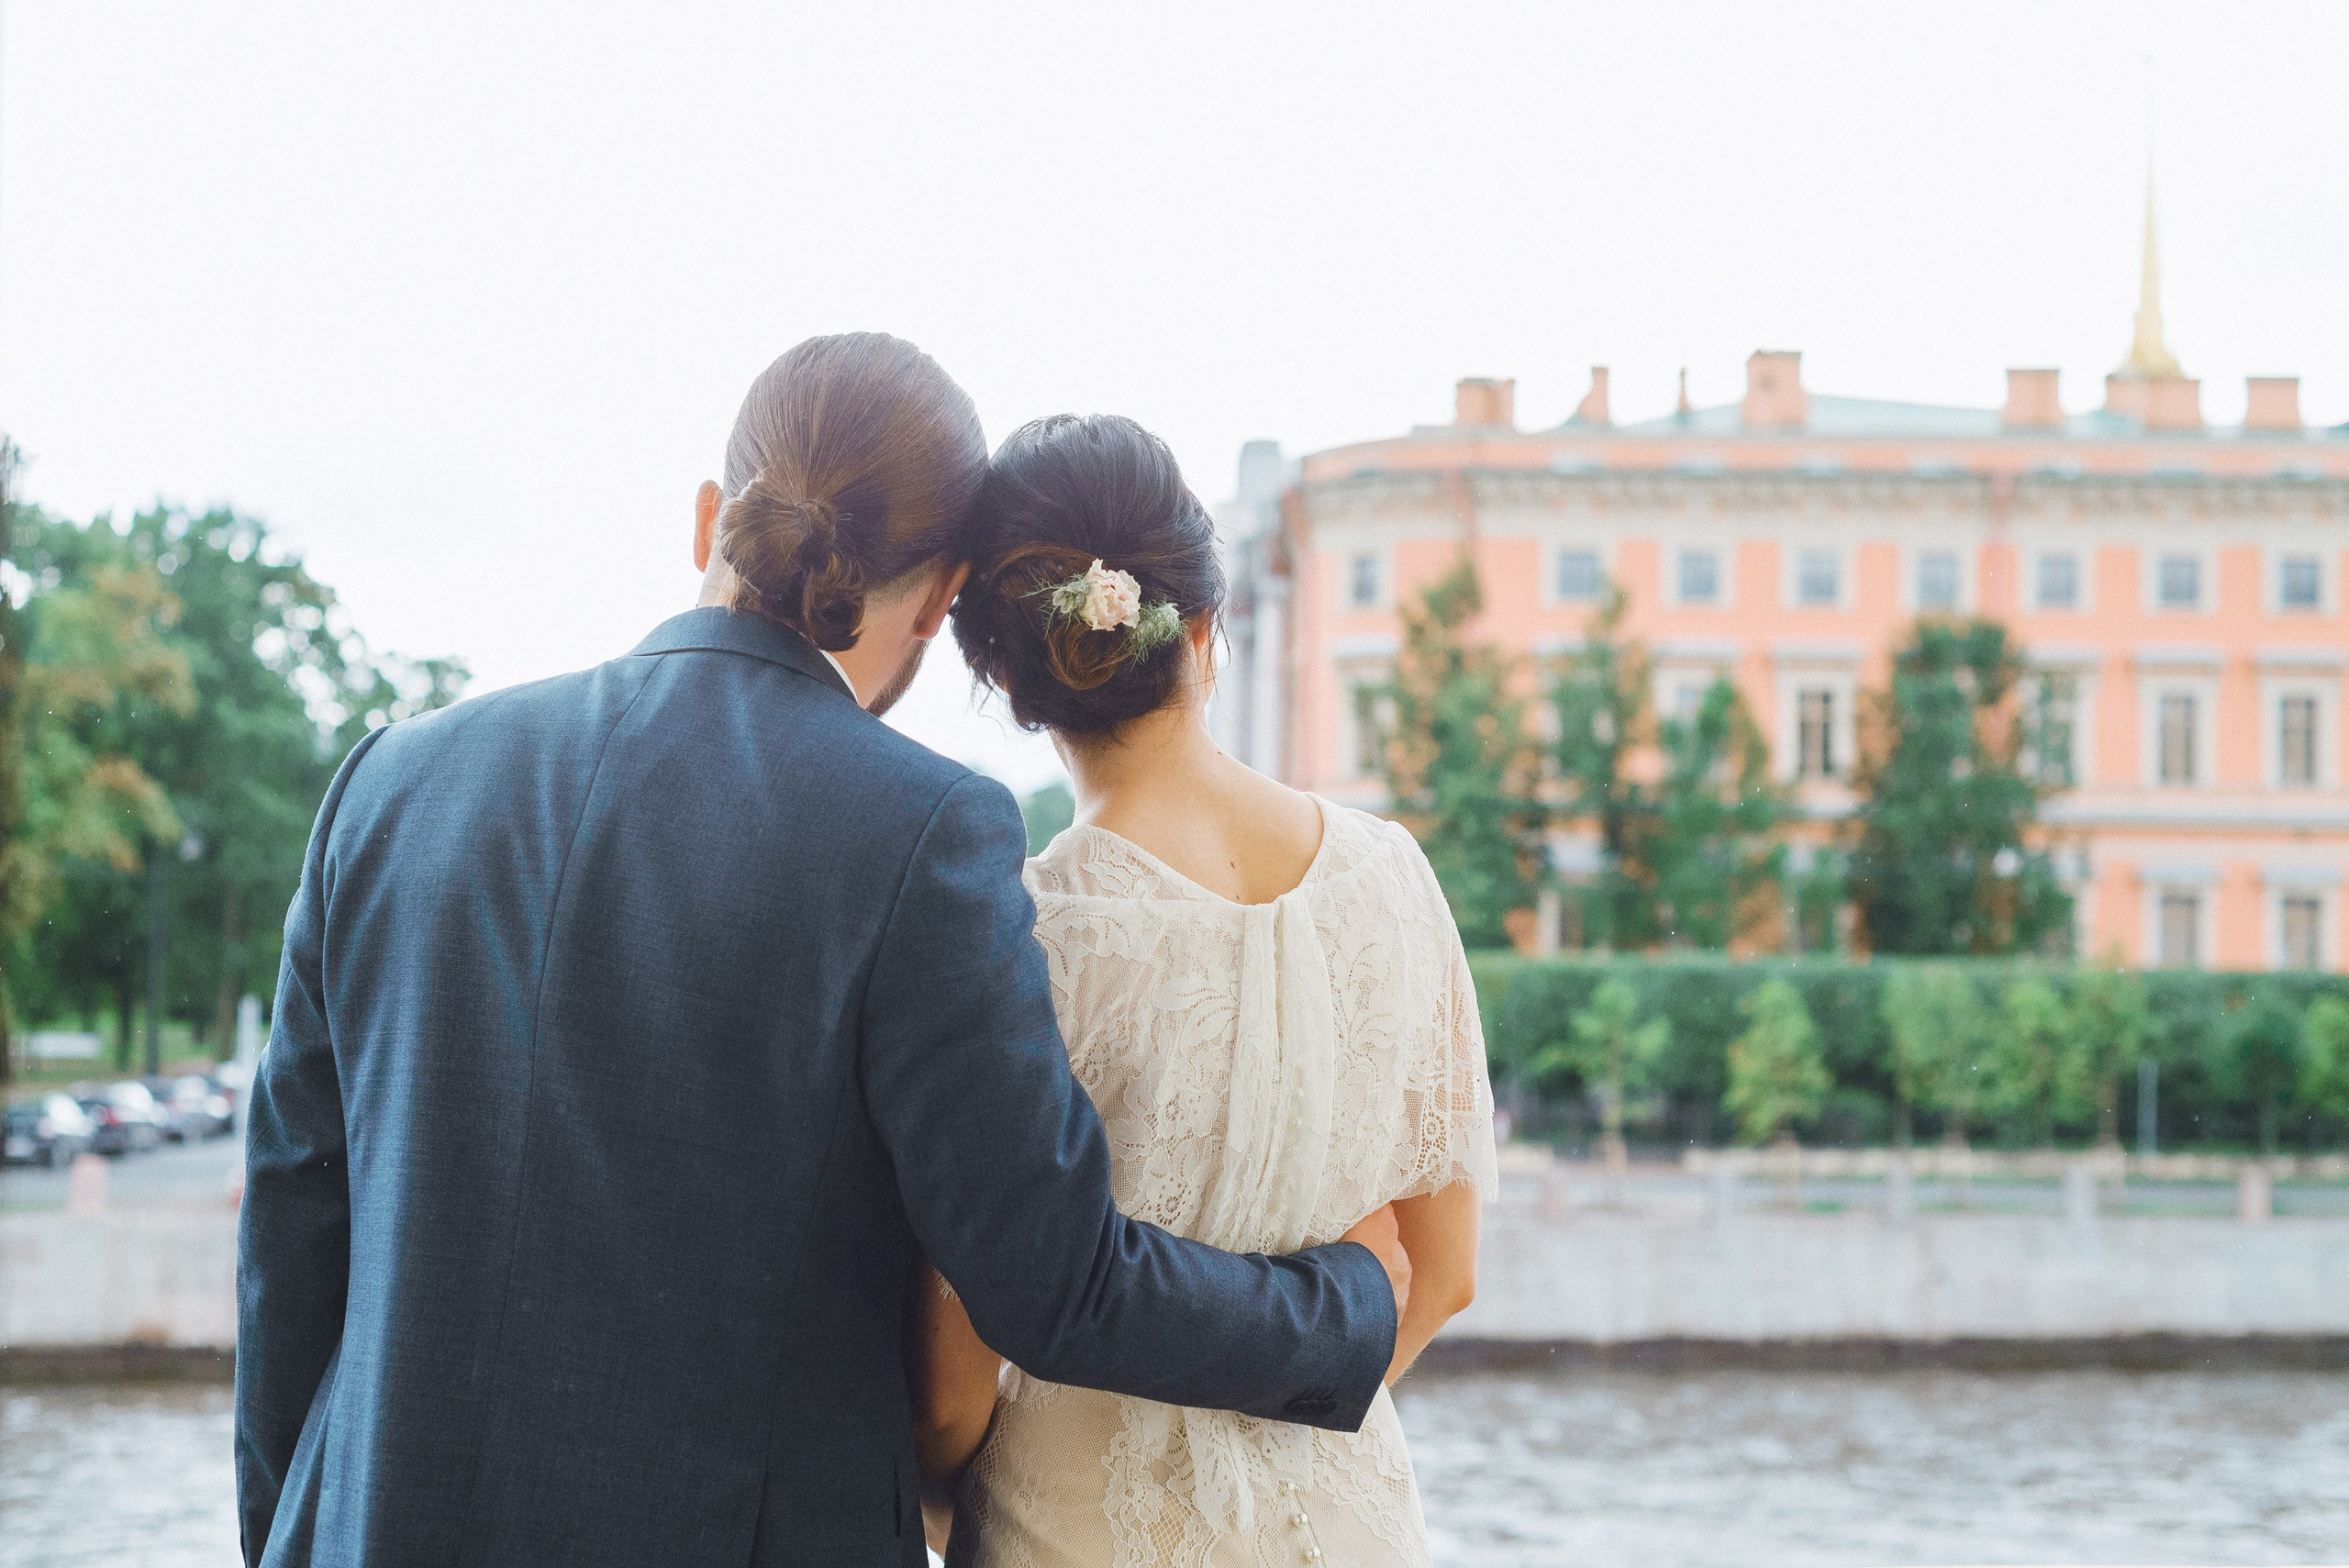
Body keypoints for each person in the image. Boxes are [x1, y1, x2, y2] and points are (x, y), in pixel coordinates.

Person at [234, 334, 1412, 1568]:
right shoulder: (924, 831)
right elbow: (1050, 1280)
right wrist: (1344, 1311)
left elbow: (291, 1248)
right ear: (942, 595)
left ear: (707, 516)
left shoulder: (390, 784)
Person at [924, 414, 1497, 1567]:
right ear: (1202, 626)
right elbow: (1443, 1271)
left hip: (1071, 1528)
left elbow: (947, 1392)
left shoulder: (1018, 939)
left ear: (1001, 669)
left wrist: (955, 1515)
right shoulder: (1393, 874)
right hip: (1345, 1528)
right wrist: (1290, 1410)